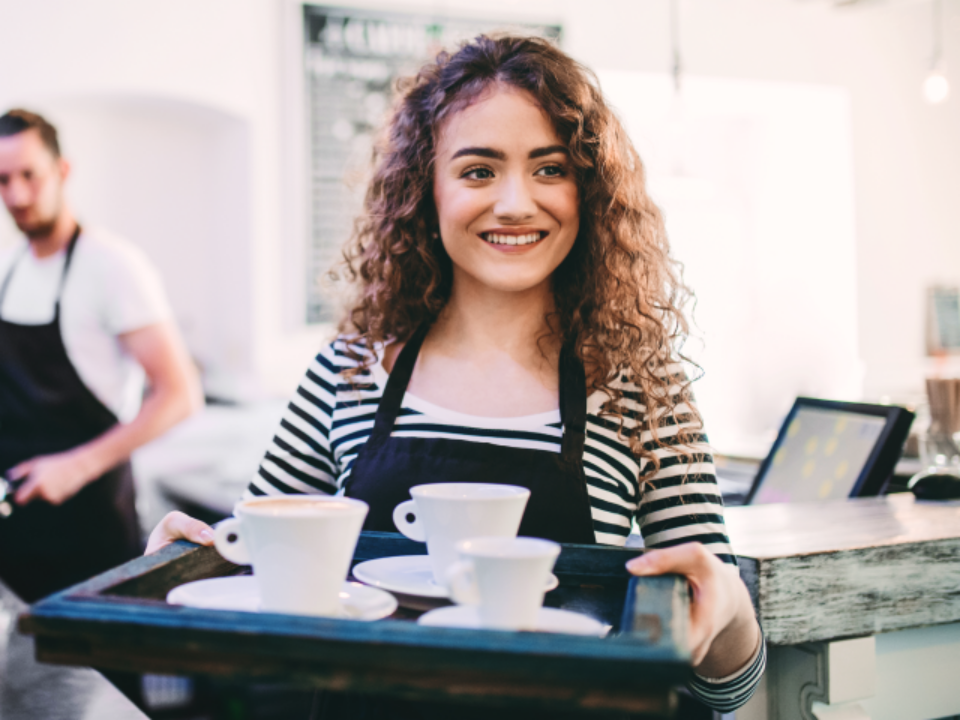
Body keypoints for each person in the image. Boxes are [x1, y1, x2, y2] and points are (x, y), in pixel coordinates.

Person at [148, 36, 764, 715]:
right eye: (478, 171)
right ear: (424, 190)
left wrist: (729, 607)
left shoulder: (643, 388)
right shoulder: (347, 373)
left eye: (549, 169)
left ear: (587, 189)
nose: (515, 203)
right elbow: (255, 579)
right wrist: (183, 564)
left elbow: (729, 685)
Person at [0, 109, 203, 603]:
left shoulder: (112, 266)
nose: (18, 196)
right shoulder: (12, 270)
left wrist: (76, 466)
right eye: (3, 181)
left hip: (90, 530)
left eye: (30, 175)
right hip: (17, 534)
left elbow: (179, 395)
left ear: (62, 171)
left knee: (99, 680)